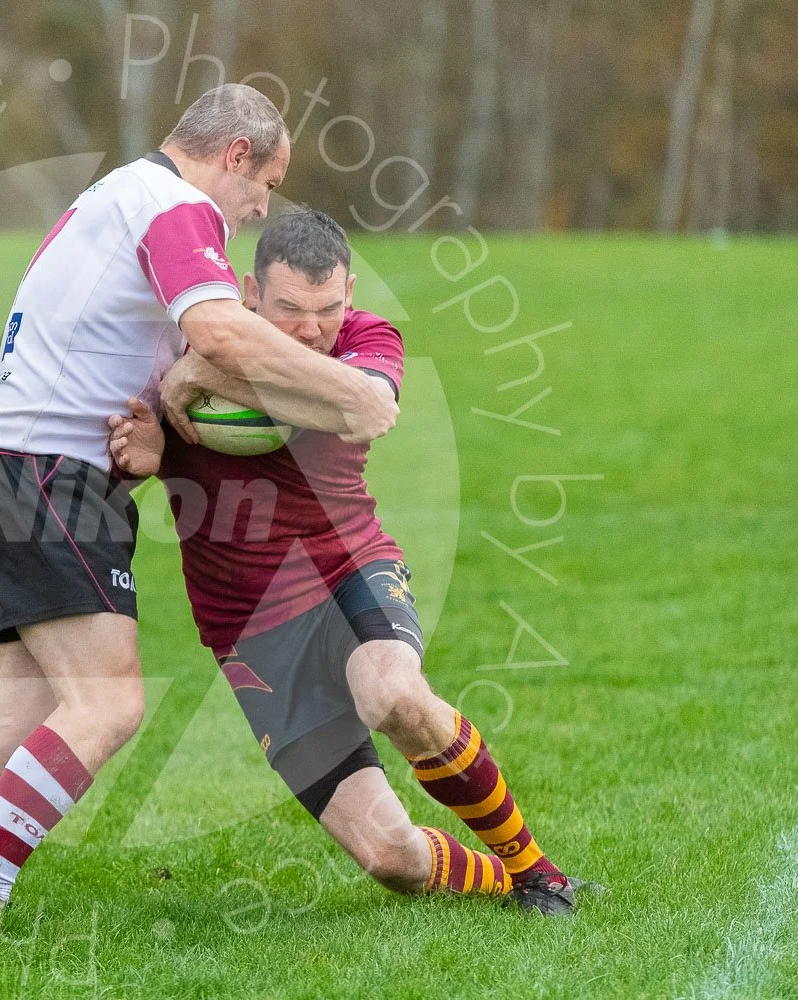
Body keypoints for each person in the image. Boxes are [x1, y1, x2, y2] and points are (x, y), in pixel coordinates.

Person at [0, 84, 395, 922]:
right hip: (51, 473)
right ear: (235, 156)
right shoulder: (175, 206)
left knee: (9, 725)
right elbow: (223, 335)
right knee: (109, 701)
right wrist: (351, 394)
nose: (260, 209)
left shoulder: (117, 193)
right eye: (263, 187)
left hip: (10, 467)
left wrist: (169, 406)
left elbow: (168, 355)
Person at [107, 208, 582, 914]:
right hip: (247, 628)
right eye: (290, 309)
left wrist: (200, 375)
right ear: (247, 294)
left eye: (327, 309)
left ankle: (536, 871)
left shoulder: (366, 340)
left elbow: (365, 409)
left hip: (345, 571)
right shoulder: (182, 346)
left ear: (351, 295)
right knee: (391, 860)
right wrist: (142, 454)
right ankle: (498, 880)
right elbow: (129, 446)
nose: (309, 330)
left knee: (391, 693)